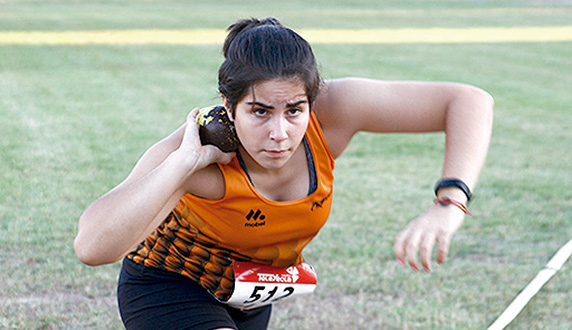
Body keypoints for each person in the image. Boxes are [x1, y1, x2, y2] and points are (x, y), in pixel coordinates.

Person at [73, 17, 493, 329]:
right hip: (171, 286)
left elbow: (470, 101)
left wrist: (449, 204)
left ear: (312, 100)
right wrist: (182, 166)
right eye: (259, 111)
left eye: (294, 110)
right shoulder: (191, 151)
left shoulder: (332, 113)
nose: (279, 133)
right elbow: (92, 246)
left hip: (251, 296)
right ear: (228, 103)